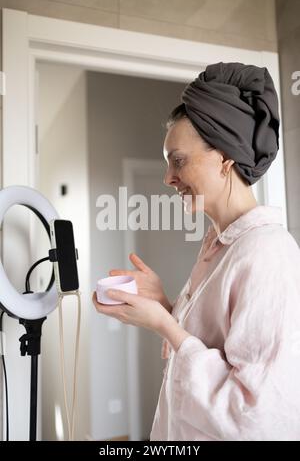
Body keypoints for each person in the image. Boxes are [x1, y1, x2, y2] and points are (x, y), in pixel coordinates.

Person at [92, 62, 300, 441]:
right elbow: (214, 346)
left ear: (224, 158)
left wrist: (163, 324)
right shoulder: (219, 245)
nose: (168, 178)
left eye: (179, 160)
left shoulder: (268, 253)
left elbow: (255, 415)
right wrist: (167, 304)